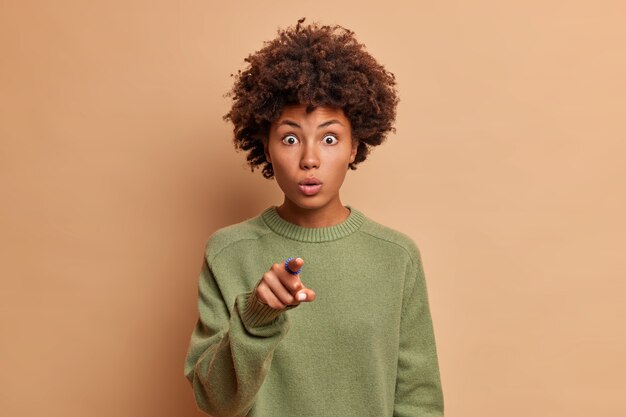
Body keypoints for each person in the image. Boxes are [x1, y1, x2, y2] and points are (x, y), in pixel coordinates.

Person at [184, 18, 444, 417]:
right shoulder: (228, 252)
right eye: (290, 138)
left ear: (354, 147)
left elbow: (418, 402)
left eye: (329, 138)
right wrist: (256, 315)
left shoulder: (396, 257)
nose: (309, 159)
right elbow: (217, 403)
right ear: (266, 147)